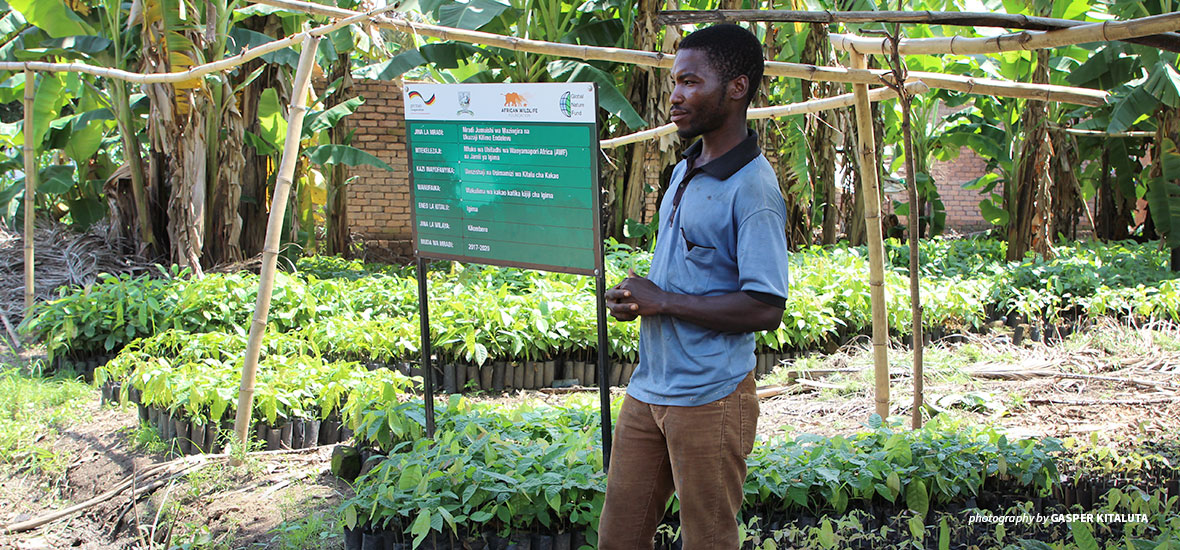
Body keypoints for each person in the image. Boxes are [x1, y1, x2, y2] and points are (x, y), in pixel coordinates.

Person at [597, 23, 790, 550]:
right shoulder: (687, 167)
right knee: (618, 538)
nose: (675, 96)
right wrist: (642, 299)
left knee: (707, 541)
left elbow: (766, 306)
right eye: (674, 82)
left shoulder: (754, 190)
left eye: (690, 82)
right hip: (649, 388)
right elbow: (686, 275)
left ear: (736, 88)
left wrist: (665, 301)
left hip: (710, 397)